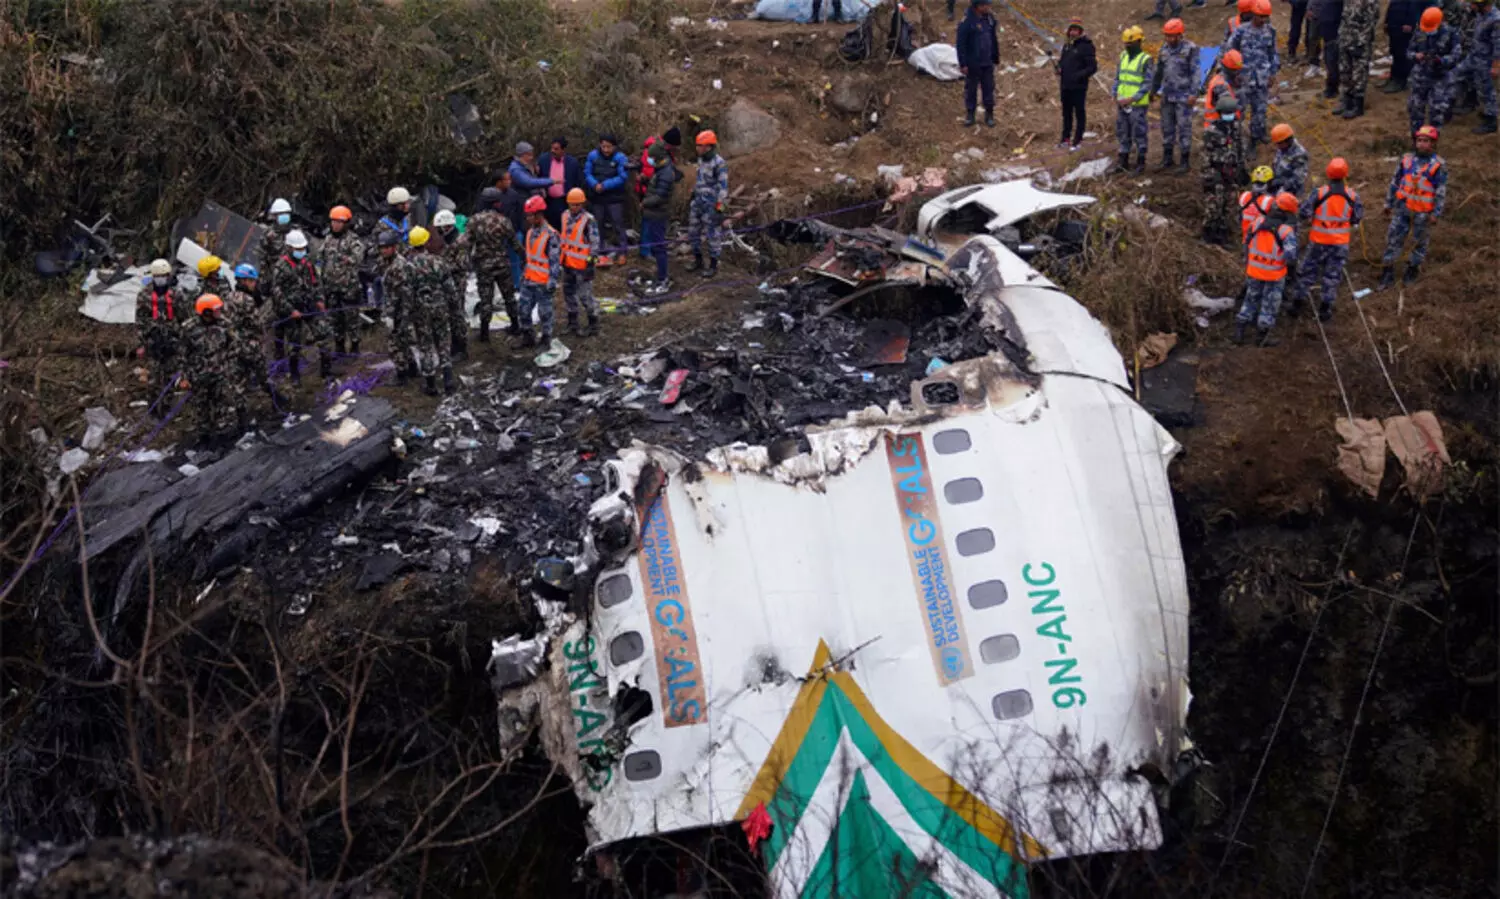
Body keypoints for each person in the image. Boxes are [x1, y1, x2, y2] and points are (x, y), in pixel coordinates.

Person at [1292, 157, 1363, 322]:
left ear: (1328, 173)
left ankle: (1296, 304)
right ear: (1345, 174)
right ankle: (1325, 308)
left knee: (1307, 272)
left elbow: (1303, 212)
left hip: (1318, 240)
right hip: (1339, 244)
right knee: (1332, 275)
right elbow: (1356, 218)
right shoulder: (1353, 196)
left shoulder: (1319, 193)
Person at [386, 227, 453, 395]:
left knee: (425, 346)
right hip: (440, 307)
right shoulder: (438, 261)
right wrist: (453, 306)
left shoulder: (408, 267)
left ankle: (431, 385)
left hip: (420, 311)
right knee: (443, 342)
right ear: (426, 242)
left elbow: (406, 294)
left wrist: (404, 316)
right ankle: (448, 381)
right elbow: (450, 288)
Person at [1379, 125, 1447, 288]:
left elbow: (1440, 191)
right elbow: (1395, 182)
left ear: (1433, 143)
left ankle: (1412, 269)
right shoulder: (1406, 160)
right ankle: (1387, 272)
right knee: (1394, 239)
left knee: (1419, 243)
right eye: (1419, 140)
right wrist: (1388, 203)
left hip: (1423, 212)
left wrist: (1435, 213)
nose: (1422, 144)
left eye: (1426, 141)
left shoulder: (1438, 165)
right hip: (1402, 209)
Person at [1235, 191, 1300, 346]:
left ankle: (1239, 331)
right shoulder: (1286, 231)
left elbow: (1246, 243)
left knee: (1250, 298)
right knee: (1269, 305)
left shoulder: (1257, 222)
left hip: (1254, 270)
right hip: (1274, 274)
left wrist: (1250, 261)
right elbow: (1291, 256)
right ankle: (1261, 337)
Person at [180, 295, 249, 438]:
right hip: (199, 376)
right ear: (206, 312)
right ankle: (205, 437)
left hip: (221, 373)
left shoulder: (224, 324)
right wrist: (184, 377)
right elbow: (182, 355)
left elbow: (235, 345)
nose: (219, 313)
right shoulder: (188, 328)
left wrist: (227, 361)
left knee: (224, 404)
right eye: (215, 310)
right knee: (201, 408)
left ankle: (226, 434)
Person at [461, 187, 523, 343]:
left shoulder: (474, 221)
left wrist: (464, 263)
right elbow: (515, 244)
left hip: (483, 265)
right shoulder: (503, 220)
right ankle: (515, 325)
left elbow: (466, 244)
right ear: (497, 203)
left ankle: (484, 333)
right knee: (509, 296)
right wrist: (526, 259)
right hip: (502, 263)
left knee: (485, 299)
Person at [270, 229, 329, 384]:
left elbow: (316, 282)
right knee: (295, 344)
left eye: (303, 249)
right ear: (289, 248)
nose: (301, 252)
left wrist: (319, 299)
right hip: (291, 310)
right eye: (298, 249)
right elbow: (277, 293)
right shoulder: (281, 267)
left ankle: (326, 371)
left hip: (309, 305)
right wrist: (291, 310)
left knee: (323, 335)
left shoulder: (307, 263)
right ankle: (295, 375)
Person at [1227, 0, 1280, 149]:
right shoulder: (1241, 31)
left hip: (1261, 78)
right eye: (1260, 16)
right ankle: (1240, 141)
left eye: (1265, 17)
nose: (1263, 20)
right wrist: (1233, 74)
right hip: (1243, 78)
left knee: (1260, 110)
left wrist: (1272, 74)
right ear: (1253, 14)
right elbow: (1230, 52)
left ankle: (1256, 138)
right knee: (1240, 111)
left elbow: (1273, 54)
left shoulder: (1270, 31)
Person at [317, 205, 367, 358]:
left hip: (349, 288)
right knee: (335, 318)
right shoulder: (328, 239)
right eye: (333, 222)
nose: (335, 225)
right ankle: (339, 347)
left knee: (351, 318)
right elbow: (321, 258)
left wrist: (345, 259)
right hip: (331, 288)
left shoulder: (353, 240)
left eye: (339, 222)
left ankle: (355, 346)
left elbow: (358, 259)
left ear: (345, 223)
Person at [226, 263, 276, 407]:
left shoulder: (228, 297)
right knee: (263, 375)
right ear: (244, 281)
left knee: (239, 383)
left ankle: (242, 417)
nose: (254, 284)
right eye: (252, 281)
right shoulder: (247, 300)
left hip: (234, 348)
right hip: (249, 346)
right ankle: (276, 401)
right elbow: (256, 323)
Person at [1152, 18, 1198, 172]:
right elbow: (1158, 72)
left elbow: (1196, 73)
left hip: (1184, 96)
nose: (1169, 39)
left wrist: (1193, 93)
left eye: (1172, 36)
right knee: (1167, 127)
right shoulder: (1163, 50)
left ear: (1180, 35)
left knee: (1184, 127)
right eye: (1167, 36)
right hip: (1167, 95)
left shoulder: (1190, 49)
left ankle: (1184, 160)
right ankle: (1167, 157)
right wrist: (1153, 90)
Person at [1202, 95, 1249, 246]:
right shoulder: (1212, 131)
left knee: (1229, 205)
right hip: (1216, 173)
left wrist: (1242, 169)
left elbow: (1240, 149)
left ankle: (1223, 235)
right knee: (1214, 205)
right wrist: (1210, 176)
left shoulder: (1236, 128)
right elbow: (1205, 156)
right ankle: (1209, 234)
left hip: (1232, 173)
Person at [1408, 7, 1463, 133]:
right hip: (1420, 77)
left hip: (1440, 78)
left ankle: (1432, 142)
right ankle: (1417, 140)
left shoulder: (1451, 33)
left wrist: (1441, 61)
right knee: (1415, 109)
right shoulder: (1420, 30)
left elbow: (1456, 56)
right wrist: (1415, 56)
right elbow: (1409, 51)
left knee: (1437, 111)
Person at [518, 195, 561, 348]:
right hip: (529, 279)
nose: (528, 218)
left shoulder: (551, 235)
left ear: (539, 214)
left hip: (543, 281)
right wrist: (524, 274)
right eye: (527, 215)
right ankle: (527, 337)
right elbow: (530, 257)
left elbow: (555, 261)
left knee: (545, 313)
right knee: (523, 310)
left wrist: (552, 280)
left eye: (531, 215)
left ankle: (546, 338)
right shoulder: (529, 232)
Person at [135, 258, 184, 392]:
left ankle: (168, 403)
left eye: (163, 276)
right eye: (158, 276)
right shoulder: (145, 295)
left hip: (173, 341)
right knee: (154, 379)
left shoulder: (176, 294)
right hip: (152, 342)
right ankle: (155, 406)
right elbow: (140, 320)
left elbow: (184, 317)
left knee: (172, 377)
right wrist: (141, 344)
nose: (161, 279)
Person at [559, 188, 602, 337]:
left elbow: (595, 242)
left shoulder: (589, 220)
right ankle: (573, 323)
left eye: (577, 205)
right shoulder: (564, 216)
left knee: (585, 295)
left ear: (582, 204)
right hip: (568, 263)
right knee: (568, 293)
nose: (574, 207)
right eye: (572, 204)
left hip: (583, 265)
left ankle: (593, 323)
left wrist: (591, 261)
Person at [639, 140, 680, 295]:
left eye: (652, 157)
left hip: (658, 213)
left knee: (658, 247)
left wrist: (645, 203)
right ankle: (661, 274)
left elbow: (661, 195)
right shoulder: (661, 170)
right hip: (654, 212)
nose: (650, 160)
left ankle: (663, 278)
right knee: (656, 246)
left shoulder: (666, 173)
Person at [584, 135, 632, 265]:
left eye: (609, 147)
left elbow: (623, 176)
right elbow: (587, 173)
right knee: (597, 224)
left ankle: (622, 252)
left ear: (614, 146)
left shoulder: (620, 158)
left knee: (618, 224)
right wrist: (594, 184)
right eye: (603, 146)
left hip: (614, 197)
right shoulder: (593, 156)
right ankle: (599, 250)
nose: (606, 149)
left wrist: (605, 185)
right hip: (597, 196)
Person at [636, 127, 684, 257]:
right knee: (649, 223)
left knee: (654, 225)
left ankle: (652, 249)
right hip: (650, 191)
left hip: (656, 191)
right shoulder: (656, 151)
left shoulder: (664, 153)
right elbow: (650, 169)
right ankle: (647, 251)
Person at [688, 130, 729, 279]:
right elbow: (700, 180)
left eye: (700, 146)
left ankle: (713, 264)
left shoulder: (719, 163)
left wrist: (720, 208)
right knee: (693, 232)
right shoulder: (701, 160)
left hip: (711, 205)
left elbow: (723, 188)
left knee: (713, 234)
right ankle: (697, 259)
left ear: (708, 147)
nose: (697, 148)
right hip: (698, 202)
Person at [429, 209, 468, 361]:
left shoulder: (460, 242)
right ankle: (455, 345)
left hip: (457, 282)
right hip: (449, 283)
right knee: (451, 316)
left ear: (447, 227)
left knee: (457, 315)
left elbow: (462, 264)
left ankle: (462, 348)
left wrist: (441, 267)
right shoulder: (449, 242)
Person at [1114, 26, 1154, 174]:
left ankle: (1141, 162)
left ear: (1138, 42)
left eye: (1130, 44)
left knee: (1139, 133)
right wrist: (1115, 93)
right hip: (1122, 103)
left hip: (1137, 104)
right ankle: (1123, 161)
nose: (1127, 47)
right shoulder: (1123, 56)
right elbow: (1118, 77)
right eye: (1126, 44)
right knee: (1123, 132)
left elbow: (1148, 83)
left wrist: (1133, 98)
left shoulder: (1146, 59)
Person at [1456, 0, 1499, 134]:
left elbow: (1498, 46)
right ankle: (1471, 104)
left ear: (1483, 4)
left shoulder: (1496, 20)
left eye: (1474, 4)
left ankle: (1491, 120)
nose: (1472, 6)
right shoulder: (1481, 14)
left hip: (1486, 61)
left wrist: (1496, 66)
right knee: (1458, 74)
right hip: (1474, 56)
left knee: (1486, 90)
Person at [956, 0, 1000, 127]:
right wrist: (963, 63)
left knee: (989, 89)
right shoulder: (967, 22)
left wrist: (995, 56)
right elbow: (961, 44)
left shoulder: (989, 19)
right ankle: (970, 115)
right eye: (985, 5)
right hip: (973, 63)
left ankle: (989, 114)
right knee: (971, 90)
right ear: (978, 6)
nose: (988, 7)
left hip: (987, 62)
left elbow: (993, 38)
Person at [1335, 0, 1381, 118]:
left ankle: (1357, 105)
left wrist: (1361, 42)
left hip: (1360, 43)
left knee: (1359, 73)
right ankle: (1347, 101)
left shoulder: (1370, 2)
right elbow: (1344, 19)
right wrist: (1340, 37)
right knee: (1345, 71)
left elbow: (1370, 23)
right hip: (1345, 39)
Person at [1057, 18, 1097, 151]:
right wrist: (1059, 68)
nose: (1073, 32)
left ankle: (1078, 140)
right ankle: (1065, 139)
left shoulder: (1086, 46)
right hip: (1065, 85)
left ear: (1080, 31)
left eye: (1075, 30)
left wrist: (1078, 76)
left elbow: (1092, 67)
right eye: (1071, 29)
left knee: (1079, 113)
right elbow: (1062, 61)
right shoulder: (1067, 45)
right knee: (1066, 113)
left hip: (1079, 87)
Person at [494, 169, 527, 293]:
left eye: (509, 179)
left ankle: (516, 285)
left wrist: (520, 230)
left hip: (514, 232)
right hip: (497, 235)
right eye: (506, 179)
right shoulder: (491, 196)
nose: (509, 182)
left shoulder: (514, 195)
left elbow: (521, 213)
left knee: (515, 260)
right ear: (499, 182)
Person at [537, 138, 582, 229]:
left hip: (564, 201)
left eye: (556, 149)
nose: (553, 151)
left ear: (563, 150)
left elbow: (577, 182)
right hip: (548, 200)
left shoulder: (572, 163)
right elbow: (538, 177)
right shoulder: (543, 160)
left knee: (564, 226)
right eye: (552, 148)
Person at [1382, 0, 1424, 92]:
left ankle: (1400, 81)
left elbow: (1414, 7)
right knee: (1394, 52)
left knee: (1402, 54)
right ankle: (1393, 77)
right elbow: (1391, 5)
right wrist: (1387, 21)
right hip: (1394, 25)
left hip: (1404, 27)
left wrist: (1410, 23)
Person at [258, 198, 294, 297]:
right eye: (281, 214)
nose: (284, 216)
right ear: (274, 216)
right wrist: (263, 280)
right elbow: (262, 258)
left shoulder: (295, 233)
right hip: (274, 277)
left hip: (292, 278)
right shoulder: (268, 234)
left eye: (286, 213)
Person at [1268, 124, 1310, 196]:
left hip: (1291, 190)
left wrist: (1283, 188)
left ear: (1287, 140)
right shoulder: (1282, 148)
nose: (1277, 146)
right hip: (1277, 183)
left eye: (1279, 143)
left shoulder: (1300, 154)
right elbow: (1276, 164)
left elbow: (1298, 179)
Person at [1241, 165, 1276, 246]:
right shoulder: (1269, 201)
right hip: (1261, 244)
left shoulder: (1244, 196)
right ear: (1269, 183)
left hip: (1246, 240)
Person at [1318, 0, 1346, 96]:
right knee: (1329, 61)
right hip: (1327, 31)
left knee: (1332, 61)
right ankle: (1331, 86)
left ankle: (1332, 88)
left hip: (1334, 32)